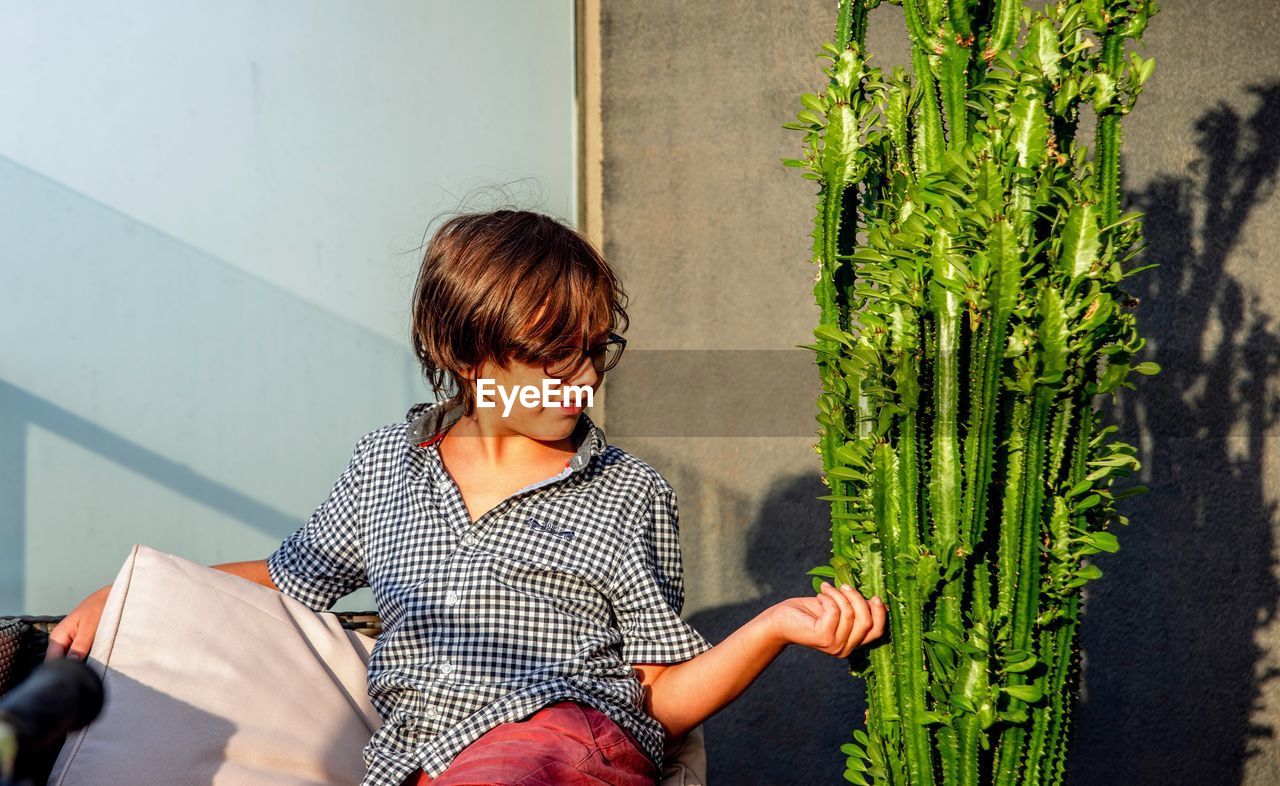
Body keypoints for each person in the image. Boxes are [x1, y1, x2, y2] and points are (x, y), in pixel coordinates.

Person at [45, 208, 887, 786]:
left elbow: (659, 700)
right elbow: (289, 575)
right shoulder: (388, 466)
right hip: (420, 760)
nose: (585, 378)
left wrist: (775, 626)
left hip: (565, 738)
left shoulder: (629, 493)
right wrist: (128, 594)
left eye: (597, 351)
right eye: (555, 356)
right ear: (469, 352)